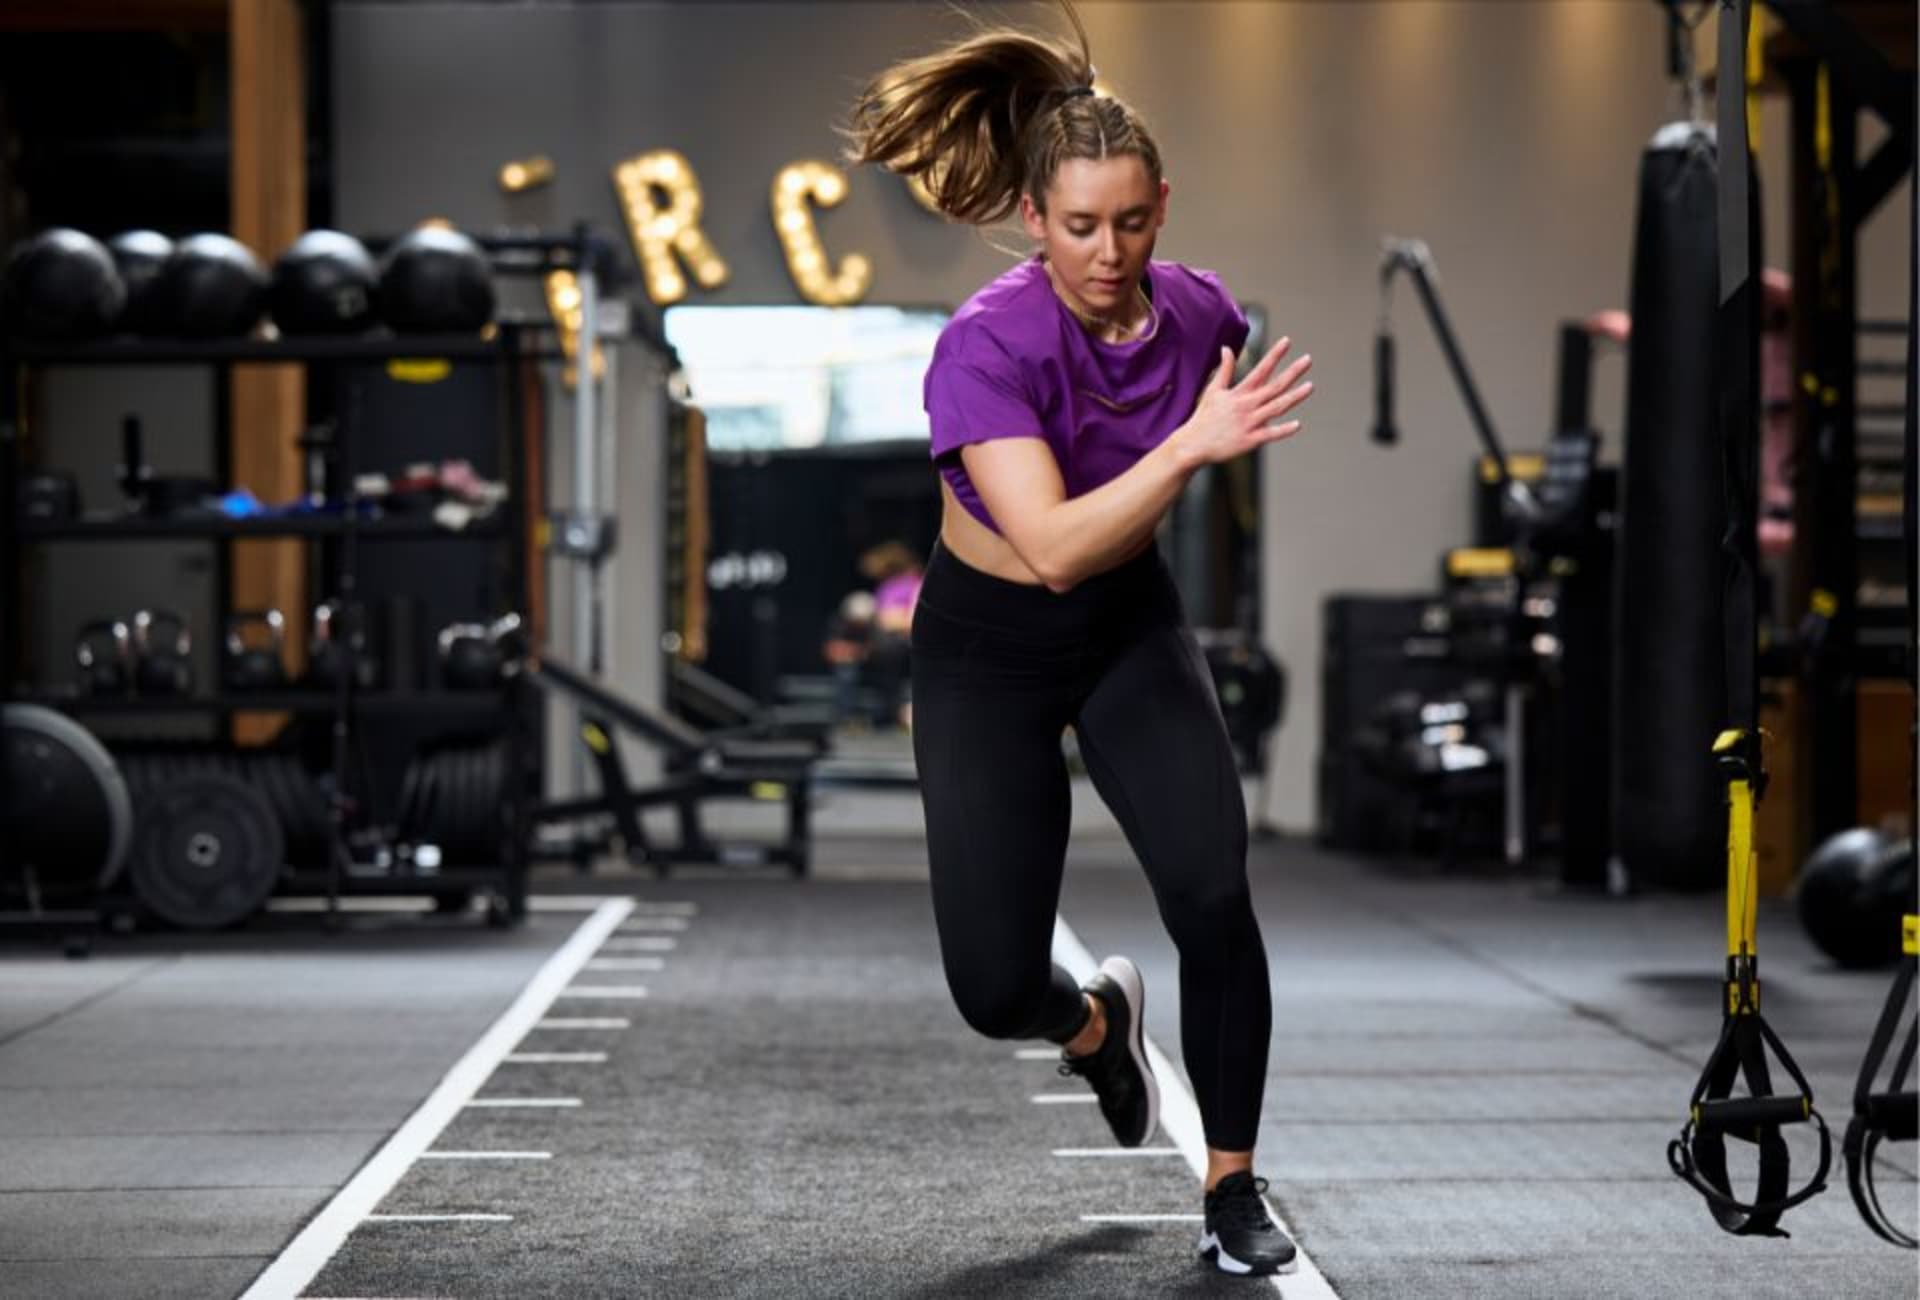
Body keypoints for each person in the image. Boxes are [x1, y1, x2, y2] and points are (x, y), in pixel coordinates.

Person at [846, 1, 1313, 1277]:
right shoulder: (985, 346)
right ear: (1034, 218)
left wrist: (1189, 446)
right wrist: (1190, 449)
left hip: (1124, 626)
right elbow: (1049, 545)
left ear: (1163, 206)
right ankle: (1100, 1030)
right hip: (987, 645)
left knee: (1213, 892)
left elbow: (1114, 545)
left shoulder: (1204, 315)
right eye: (1080, 226)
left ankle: (1232, 1186)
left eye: (1132, 222)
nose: (1109, 252)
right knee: (996, 986)